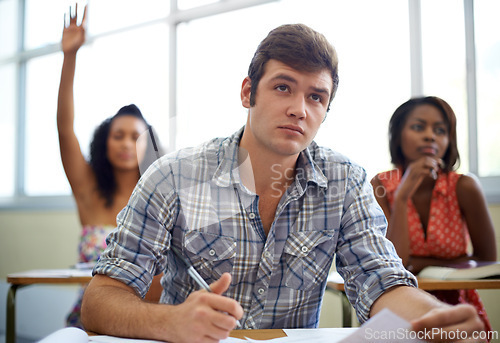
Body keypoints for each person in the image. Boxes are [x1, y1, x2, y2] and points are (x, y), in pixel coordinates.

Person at [81, 24, 486, 343]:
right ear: (247, 92)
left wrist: (434, 317)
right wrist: (170, 321)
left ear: (326, 110)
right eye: (282, 87)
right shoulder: (173, 175)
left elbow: (382, 281)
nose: (298, 109)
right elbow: (99, 302)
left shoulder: (346, 181)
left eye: (316, 97)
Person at [57, 5, 163, 328]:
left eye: (136, 136)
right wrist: (70, 57)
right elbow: (64, 128)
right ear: (105, 143)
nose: (128, 143)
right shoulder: (88, 189)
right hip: (88, 321)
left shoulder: (161, 195)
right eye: (118, 136)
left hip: (145, 322)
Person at [371, 96, 497, 334]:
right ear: (398, 136)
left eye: (440, 130)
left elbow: (487, 263)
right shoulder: (380, 185)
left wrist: (419, 264)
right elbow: (395, 265)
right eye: (418, 127)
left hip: (458, 308)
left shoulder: (465, 187)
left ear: (449, 140)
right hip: (397, 308)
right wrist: (402, 196)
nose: (430, 136)